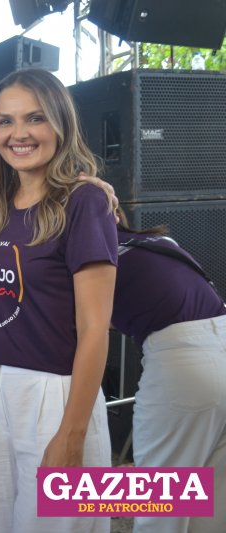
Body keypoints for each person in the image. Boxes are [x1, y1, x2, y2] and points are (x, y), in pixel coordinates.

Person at [0, 68, 116, 532]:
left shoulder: (84, 202)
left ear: (61, 122)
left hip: (54, 395)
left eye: (35, 118)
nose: (19, 133)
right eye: (5, 121)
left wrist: (72, 432)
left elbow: (95, 329)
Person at [112, 211, 226, 533]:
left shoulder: (97, 255)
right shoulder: (159, 241)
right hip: (217, 334)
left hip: (184, 361)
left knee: (161, 504)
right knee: (213, 503)